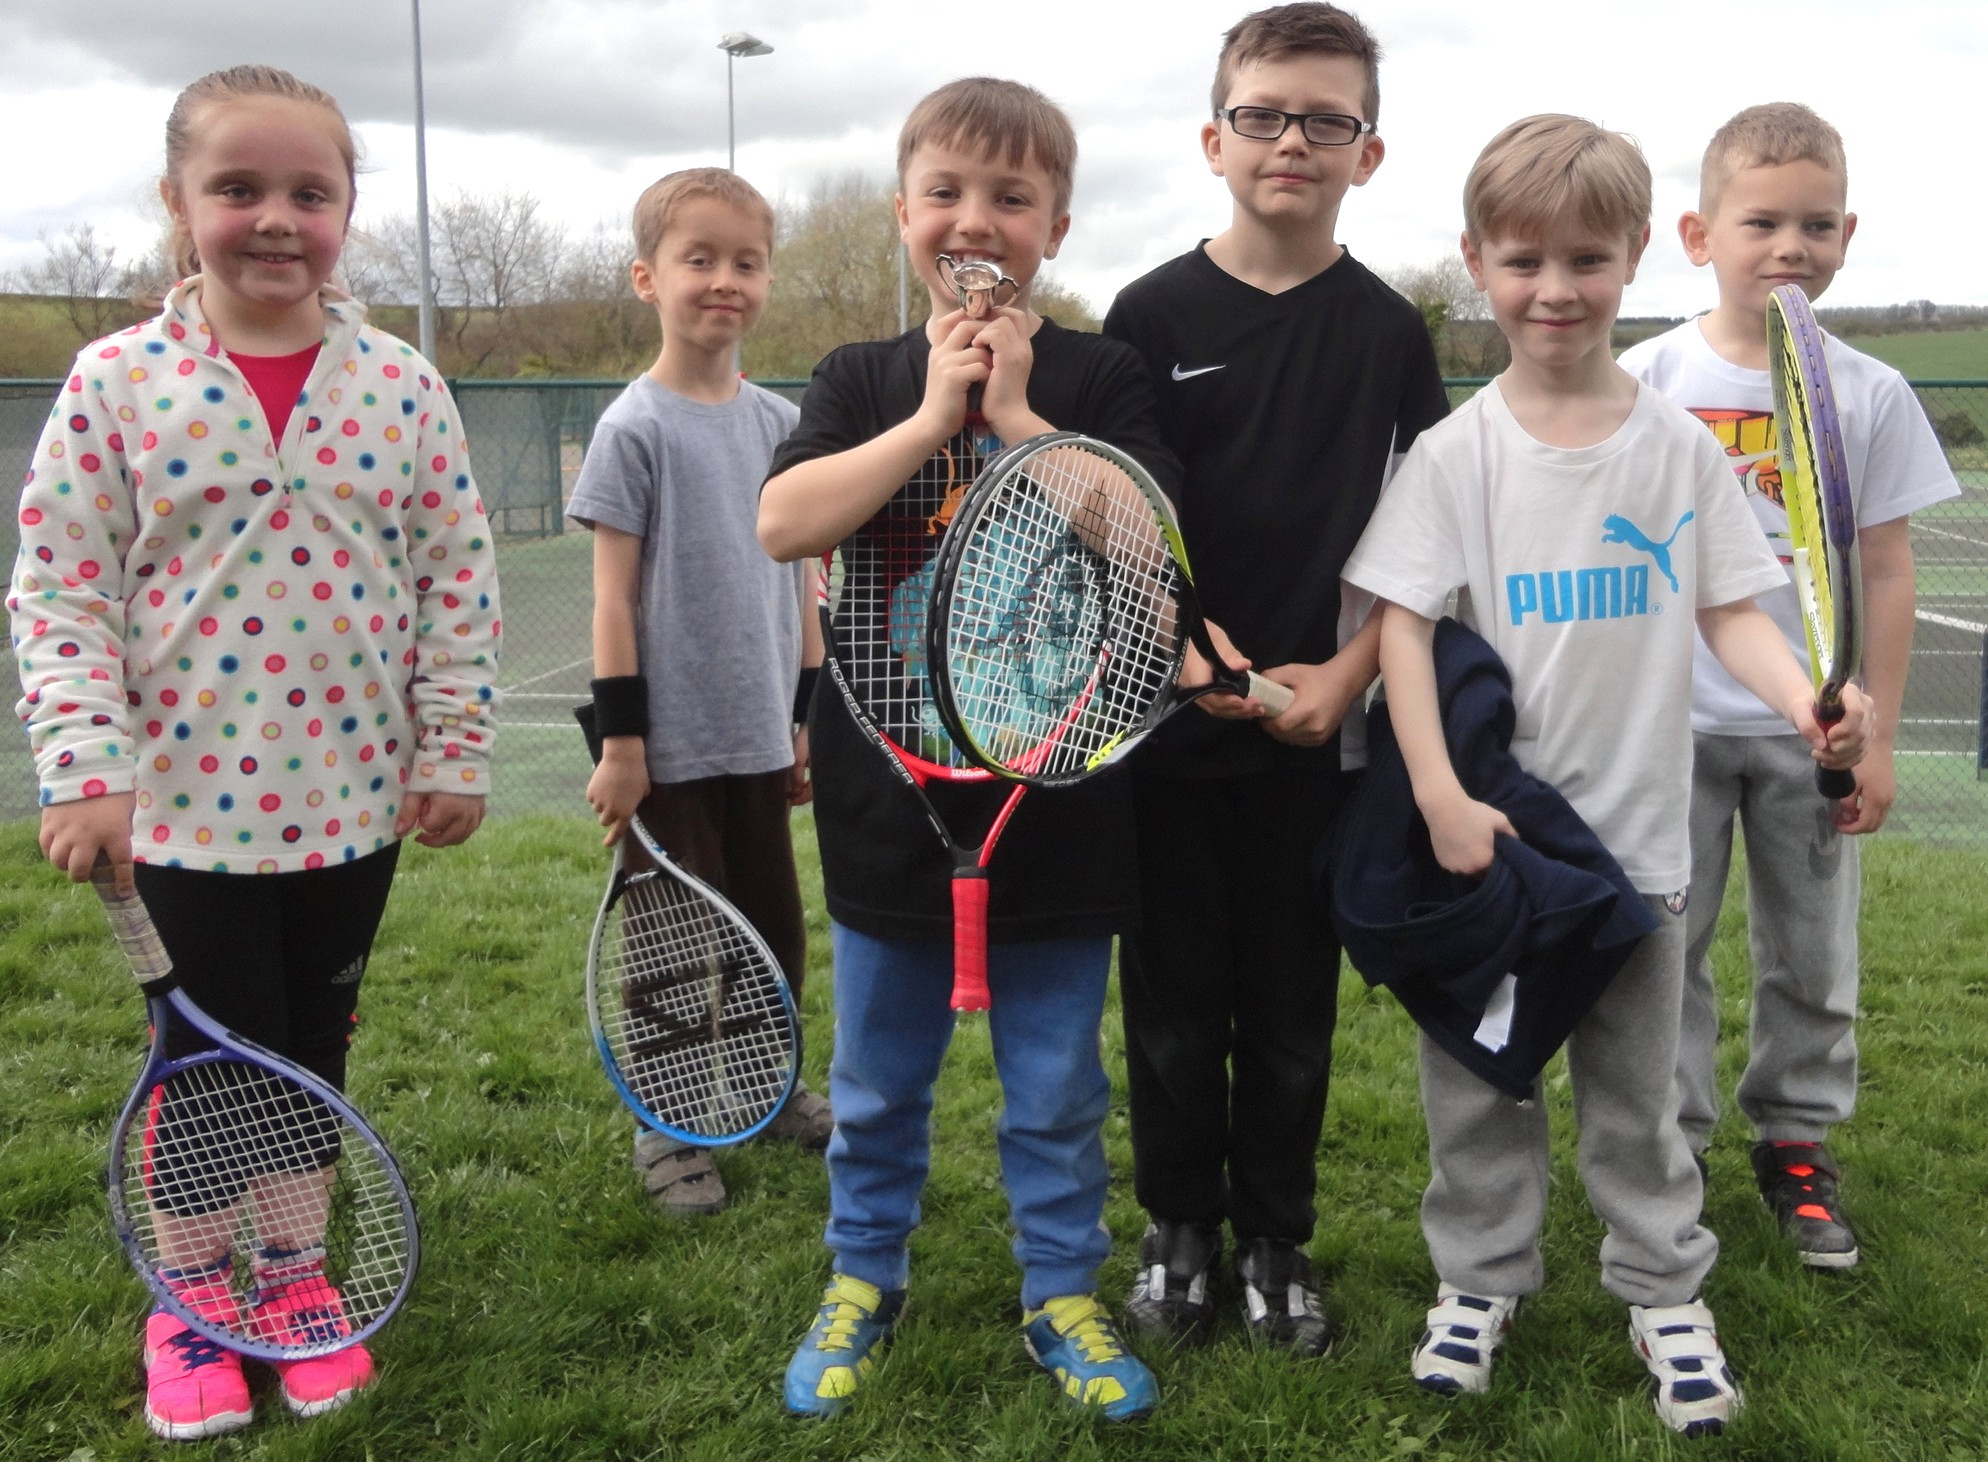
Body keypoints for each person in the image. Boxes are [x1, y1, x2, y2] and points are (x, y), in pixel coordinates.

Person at [1340, 114, 1870, 1436]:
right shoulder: (1456, 456)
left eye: (1587, 257)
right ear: (1476, 261)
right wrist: (1443, 799)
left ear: (1637, 254)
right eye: (1524, 260)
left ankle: (1665, 1290)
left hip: (1640, 854)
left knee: (1639, 1104)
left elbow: (1731, 610)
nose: (1556, 288)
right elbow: (1399, 627)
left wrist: (1806, 693)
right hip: (1498, 856)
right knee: (1482, 1087)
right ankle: (1479, 1279)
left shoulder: (1676, 448)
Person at [8, 65, 500, 1441]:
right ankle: (189, 1301)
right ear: (178, 205)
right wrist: (85, 764)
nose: (275, 219)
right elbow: (58, 586)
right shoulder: (116, 382)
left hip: (353, 808)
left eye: (309, 192)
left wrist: (453, 747)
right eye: (238, 189)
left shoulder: (401, 384)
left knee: (307, 1052)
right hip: (183, 818)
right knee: (208, 1064)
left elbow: (456, 578)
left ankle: (288, 1279)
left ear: (348, 209)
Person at [757, 77, 1173, 1422]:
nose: (974, 220)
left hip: (1060, 800)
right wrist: (935, 418)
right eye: (946, 191)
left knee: (1056, 1086)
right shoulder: (859, 379)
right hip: (893, 805)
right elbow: (784, 523)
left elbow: (1145, 553)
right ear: (903, 213)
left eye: (1010, 197)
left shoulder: (1103, 374)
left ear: (1054, 222)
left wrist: (1015, 420)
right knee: (877, 1083)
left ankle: (1062, 1288)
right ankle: (861, 1274)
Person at [1100, 1, 1448, 1355]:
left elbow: (1423, 542)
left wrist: (1349, 675)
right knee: (1176, 1009)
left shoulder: (1389, 332)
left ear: (1368, 151)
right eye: (1264, 113)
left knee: (1292, 1016)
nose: (1292, 139)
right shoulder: (1147, 315)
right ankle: (1178, 1229)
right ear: (1213, 137)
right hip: (1168, 737)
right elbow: (1112, 513)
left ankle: (1275, 1242)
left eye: (1326, 118)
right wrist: (1191, 658)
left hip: (1316, 744)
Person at [1619, 103, 1959, 1270]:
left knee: (1810, 949)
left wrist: (1872, 735)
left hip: (1807, 730)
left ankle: (1796, 1138)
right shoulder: (1642, 378)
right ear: (1695, 231)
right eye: (1758, 221)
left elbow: (1884, 566)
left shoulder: (1862, 391)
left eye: (1815, 224)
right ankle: (1669, 1138)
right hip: (1668, 729)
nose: (1788, 247)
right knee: (1668, 947)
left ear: (1847, 234)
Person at [567, 167, 830, 1218]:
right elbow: (612, 603)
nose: (724, 281)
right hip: (668, 750)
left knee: (771, 929)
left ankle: (767, 1089)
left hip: (762, 739)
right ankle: (671, 1122)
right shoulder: (633, 428)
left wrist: (803, 719)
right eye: (699, 259)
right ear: (647, 277)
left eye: (746, 262)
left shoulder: (781, 422)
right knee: (674, 942)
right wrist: (624, 747)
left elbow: (805, 585)